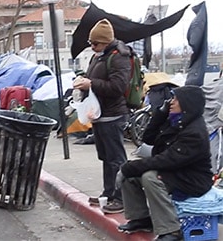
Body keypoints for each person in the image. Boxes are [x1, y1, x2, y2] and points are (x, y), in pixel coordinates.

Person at [116, 85, 213, 240]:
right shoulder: (176, 121)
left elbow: (167, 160)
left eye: (175, 99)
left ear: (187, 104)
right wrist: (160, 114)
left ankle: (171, 230)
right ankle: (141, 218)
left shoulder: (194, 132)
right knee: (131, 176)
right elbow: (148, 139)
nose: (171, 102)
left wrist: (129, 167)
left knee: (150, 177)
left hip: (193, 179)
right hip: (176, 171)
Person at [73, 18, 131, 214]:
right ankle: (108, 194)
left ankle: (120, 197)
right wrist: (84, 81)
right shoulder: (99, 56)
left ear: (106, 41)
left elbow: (117, 87)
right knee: (106, 157)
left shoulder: (119, 57)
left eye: (95, 43)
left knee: (116, 159)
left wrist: (91, 84)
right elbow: (96, 80)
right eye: (91, 43)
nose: (92, 47)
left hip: (113, 115)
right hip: (100, 115)